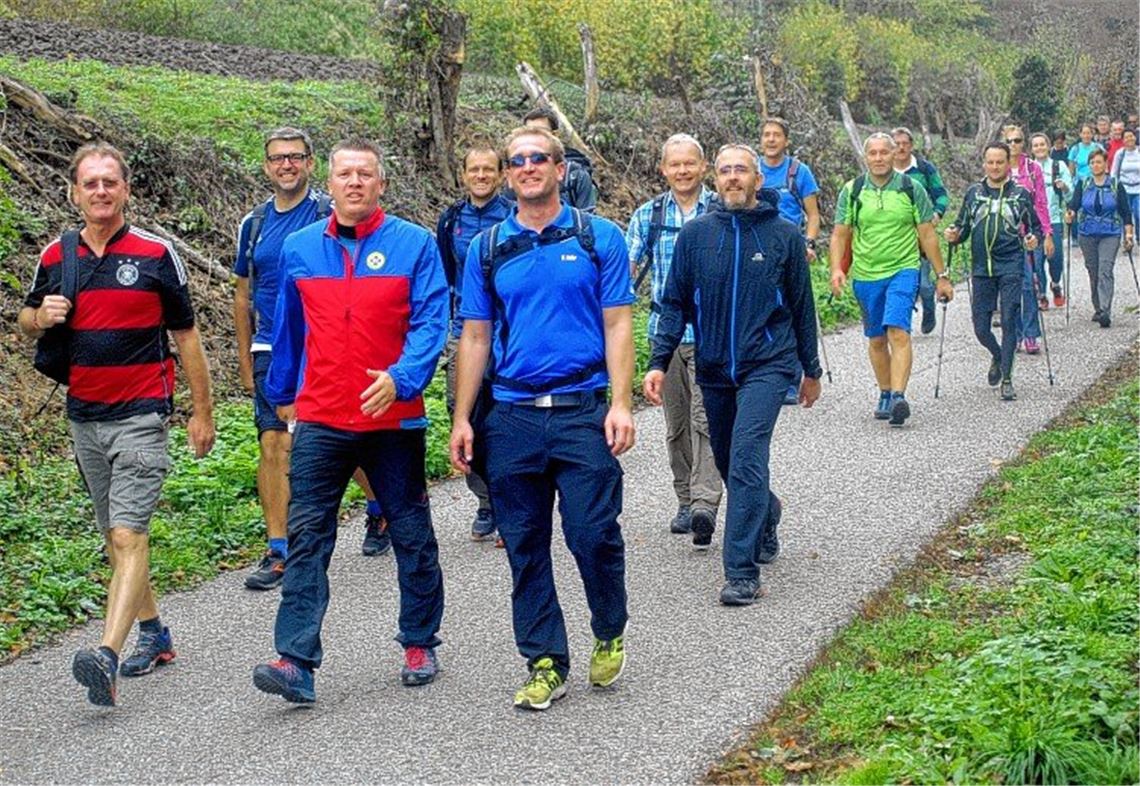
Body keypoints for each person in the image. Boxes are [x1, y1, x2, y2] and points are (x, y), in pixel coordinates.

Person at [252, 138, 448, 702]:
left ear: (381, 183)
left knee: (410, 532)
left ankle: (419, 640)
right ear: (330, 184)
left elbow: (432, 321)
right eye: (345, 174)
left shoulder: (414, 244)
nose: (355, 183)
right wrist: (282, 391)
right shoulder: (299, 247)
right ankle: (295, 660)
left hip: (393, 420)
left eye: (365, 174)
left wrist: (402, 378)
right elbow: (288, 326)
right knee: (308, 536)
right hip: (321, 417)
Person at [19, 142, 215, 706]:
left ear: (126, 189)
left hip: (141, 415)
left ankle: (105, 655)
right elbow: (25, 320)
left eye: (110, 182)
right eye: (91, 183)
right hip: (84, 416)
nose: (101, 191)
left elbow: (187, 337)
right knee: (115, 537)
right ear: (74, 193)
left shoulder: (156, 254)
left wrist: (201, 412)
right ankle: (154, 633)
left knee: (129, 534)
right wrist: (40, 316)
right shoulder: (56, 256)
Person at [449, 125, 635, 711]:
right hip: (512, 416)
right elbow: (475, 336)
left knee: (592, 534)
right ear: (508, 175)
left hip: (583, 411)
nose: (527, 168)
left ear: (559, 169)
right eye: (517, 161)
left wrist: (621, 403)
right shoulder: (487, 249)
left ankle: (609, 625)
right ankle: (545, 661)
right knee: (524, 545)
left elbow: (618, 324)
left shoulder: (598, 236)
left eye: (538, 158)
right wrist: (462, 418)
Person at [643, 143, 823, 605]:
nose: (733, 178)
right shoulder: (697, 236)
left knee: (745, 457)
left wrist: (811, 369)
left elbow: (802, 306)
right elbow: (674, 304)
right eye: (725, 171)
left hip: (769, 364)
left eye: (742, 170)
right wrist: (658, 361)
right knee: (726, 461)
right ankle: (767, 511)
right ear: (716, 179)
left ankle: (741, 573)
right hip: (715, 367)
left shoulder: (783, 235)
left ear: (757, 180)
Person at [234, 128, 391, 593]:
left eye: (295, 157)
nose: (286, 165)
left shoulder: (329, 212)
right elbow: (241, 294)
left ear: (309, 164)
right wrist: (245, 358)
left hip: (326, 347)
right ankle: (279, 549)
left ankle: (380, 506)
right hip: (271, 346)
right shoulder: (254, 224)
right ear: (266, 166)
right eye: (277, 158)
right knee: (274, 442)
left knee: (338, 440)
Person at [625, 133, 721, 539]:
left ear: (703, 167)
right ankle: (685, 498)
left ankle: (704, 503)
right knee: (677, 424)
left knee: (706, 420)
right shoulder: (648, 216)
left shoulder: (721, 209)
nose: (683, 171)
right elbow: (626, 272)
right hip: (664, 336)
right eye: (675, 164)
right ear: (663, 169)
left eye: (689, 163)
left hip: (712, 335)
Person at [829, 132, 952, 427]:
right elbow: (840, 234)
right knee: (876, 339)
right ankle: (885, 392)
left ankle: (898, 396)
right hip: (866, 274)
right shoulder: (853, 190)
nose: (879, 158)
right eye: (873, 153)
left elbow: (927, 235)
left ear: (894, 153)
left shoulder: (911, 188)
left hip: (903, 269)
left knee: (898, 332)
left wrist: (942, 276)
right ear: (865, 157)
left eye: (884, 152)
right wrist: (836, 269)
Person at [435, 142, 513, 541]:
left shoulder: (515, 215)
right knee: (462, 410)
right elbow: (444, 276)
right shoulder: (451, 220)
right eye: (474, 170)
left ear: (501, 174)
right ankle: (485, 499)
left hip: (509, 331)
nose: (481, 176)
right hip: (462, 329)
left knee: (504, 414)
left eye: (488, 169)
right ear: (463, 175)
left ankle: (509, 500)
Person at [945, 142, 1042, 401]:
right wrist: (953, 234)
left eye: (1000, 162)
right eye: (990, 162)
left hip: (1011, 265)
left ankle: (1007, 379)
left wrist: (1033, 239)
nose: (995, 167)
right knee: (980, 328)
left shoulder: (1020, 194)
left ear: (1008, 164)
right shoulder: (974, 193)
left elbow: (1034, 227)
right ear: (984, 164)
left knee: (1009, 320)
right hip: (981, 268)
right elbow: (962, 227)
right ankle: (998, 355)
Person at [758, 117, 822, 404]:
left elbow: (813, 215)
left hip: (789, 248)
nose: (771, 139)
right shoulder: (752, 169)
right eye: (766, 135)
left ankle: (790, 378)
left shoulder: (798, 172)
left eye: (776, 135)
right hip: (757, 248)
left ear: (786, 140)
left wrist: (808, 243)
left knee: (791, 312)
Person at [891, 126, 951, 335]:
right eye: (897, 144)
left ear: (911, 145)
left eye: (905, 143)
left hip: (921, 237)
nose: (901, 148)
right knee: (901, 284)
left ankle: (929, 308)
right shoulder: (884, 171)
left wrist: (937, 214)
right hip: (895, 238)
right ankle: (901, 325)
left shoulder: (924, 169)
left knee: (924, 284)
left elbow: (941, 194)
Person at [1066, 149, 1135, 328]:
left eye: (1098, 162)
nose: (1095, 166)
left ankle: (1105, 310)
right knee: (1093, 271)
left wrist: (1128, 234)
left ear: (1106, 164)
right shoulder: (1083, 184)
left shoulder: (1116, 185)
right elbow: (1074, 204)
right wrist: (1070, 213)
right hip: (1087, 233)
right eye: (1092, 163)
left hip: (1110, 233)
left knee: (1105, 269)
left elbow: (1126, 212)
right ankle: (1098, 307)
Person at [1003, 125, 1053, 354]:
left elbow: (1041, 202)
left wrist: (1047, 233)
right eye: (1009, 141)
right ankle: (1015, 333)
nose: (1013, 145)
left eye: (1017, 140)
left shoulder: (1032, 169)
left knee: (1028, 284)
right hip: (1004, 236)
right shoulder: (997, 166)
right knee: (1009, 287)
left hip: (1029, 234)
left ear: (1023, 143)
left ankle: (1031, 334)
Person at [500, 106, 597, 211]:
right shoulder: (518, 170)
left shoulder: (575, 175)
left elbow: (587, 215)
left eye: (540, 132)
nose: (528, 168)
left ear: (555, 134)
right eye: (529, 132)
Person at [1030, 132, 1073, 307]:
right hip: (1034, 221)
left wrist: (1064, 187)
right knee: (1036, 260)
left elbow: (1070, 195)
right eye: (1036, 145)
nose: (1039, 148)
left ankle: (1055, 284)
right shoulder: (1028, 168)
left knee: (1055, 257)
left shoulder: (1059, 166)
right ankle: (1041, 294)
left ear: (1048, 146)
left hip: (1054, 219)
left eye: (1042, 144)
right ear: (1032, 149)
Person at [1109, 127, 1140, 230]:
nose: (1129, 139)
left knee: (1138, 215)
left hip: (1138, 189)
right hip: (1124, 189)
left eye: (1131, 136)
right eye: (1126, 137)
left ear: (1135, 137)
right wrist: (1113, 188)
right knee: (1125, 216)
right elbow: (1114, 172)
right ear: (1123, 140)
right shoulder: (1120, 154)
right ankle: (1126, 236)